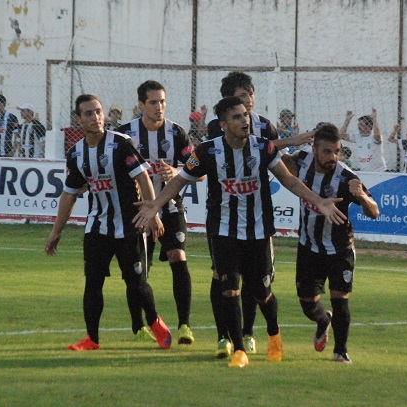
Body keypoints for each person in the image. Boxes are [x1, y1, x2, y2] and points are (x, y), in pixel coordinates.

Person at [134, 96, 347, 368]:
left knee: (262, 292)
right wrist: (156, 204)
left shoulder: (263, 148)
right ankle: (238, 350)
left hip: (258, 232)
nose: (245, 119)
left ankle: (273, 332)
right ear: (223, 124)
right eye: (237, 116)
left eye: (245, 114)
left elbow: (289, 180)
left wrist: (318, 201)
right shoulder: (208, 152)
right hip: (223, 232)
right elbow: (179, 180)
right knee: (229, 289)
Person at [44, 94, 172, 351]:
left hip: (129, 225)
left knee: (135, 282)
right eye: (89, 113)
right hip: (97, 226)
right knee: (93, 282)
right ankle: (91, 338)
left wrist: (152, 213)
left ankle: (155, 321)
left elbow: (143, 178)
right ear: (78, 119)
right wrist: (56, 231)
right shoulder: (76, 153)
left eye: (99, 112)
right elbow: (69, 193)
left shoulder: (121, 144)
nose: (96, 117)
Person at [204, 71, 313, 358]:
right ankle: (225, 337)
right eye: (241, 97)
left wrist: (299, 164)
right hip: (223, 219)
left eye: (250, 95)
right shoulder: (217, 128)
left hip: (257, 221)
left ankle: (250, 331)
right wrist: (294, 140)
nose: (248, 102)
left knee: (257, 282)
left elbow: (278, 162)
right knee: (224, 279)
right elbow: (213, 157)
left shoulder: (265, 127)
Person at [287, 123, 379, 364]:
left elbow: (374, 212)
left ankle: (341, 351)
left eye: (337, 151)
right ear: (314, 149)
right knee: (308, 303)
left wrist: (360, 197)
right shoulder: (301, 161)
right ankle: (322, 320)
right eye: (327, 151)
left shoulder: (347, 178)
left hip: (340, 250)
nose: (333, 157)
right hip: (309, 247)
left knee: (340, 300)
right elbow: (274, 163)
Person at [117, 80, 196, 346]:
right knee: (138, 271)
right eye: (153, 102)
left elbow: (199, 168)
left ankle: (184, 325)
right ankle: (138, 325)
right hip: (140, 211)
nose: (159, 107)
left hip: (171, 207)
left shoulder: (177, 133)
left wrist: (177, 173)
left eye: (162, 101)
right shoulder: (124, 135)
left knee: (178, 256)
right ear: (141, 105)